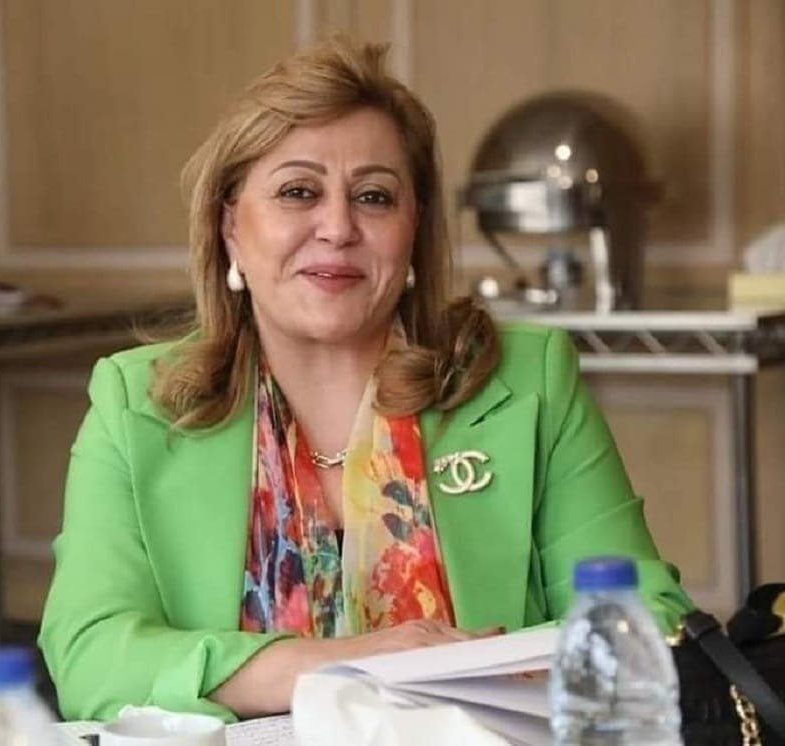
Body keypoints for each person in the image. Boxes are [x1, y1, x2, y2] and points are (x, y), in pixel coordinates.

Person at [37, 37, 692, 723]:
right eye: (298, 192)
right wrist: (352, 664)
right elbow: (90, 657)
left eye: (374, 197)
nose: (338, 228)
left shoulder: (529, 380)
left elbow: (646, 618)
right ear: (230, 226)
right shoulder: (135, 403)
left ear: (413, 231)